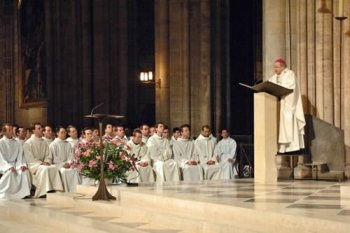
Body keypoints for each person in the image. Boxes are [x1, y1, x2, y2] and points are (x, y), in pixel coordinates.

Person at [269, 58, 306, 153]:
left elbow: (291, 88)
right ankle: (278, 145)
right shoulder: (274, 77)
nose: (275, 69)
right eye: (274, 67)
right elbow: (269, 86)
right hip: (276, 104)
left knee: (286, 124)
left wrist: (280, 90)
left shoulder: (290, 74)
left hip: (286, 103)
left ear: (283, 66)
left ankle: (288, 146)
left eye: (276, 67)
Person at [23, 122, 63, 197]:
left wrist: (47, 161)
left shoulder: (44, 142)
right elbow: (29, 158)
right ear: (33, 131)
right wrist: (41, 163)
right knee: (45, 169)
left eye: (41, 128)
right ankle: (42, 192)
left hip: (44, 164)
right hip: (34, 166)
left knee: (54, 167)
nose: (41, 129)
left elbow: (48, 155)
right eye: (39, 128)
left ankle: (55, 190)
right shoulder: (28, 143)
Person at [0, 123, 31, 199]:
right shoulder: (1, 142)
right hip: (5, 165)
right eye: (9, 130)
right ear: (4, 132)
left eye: (12, 129)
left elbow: (20, 156)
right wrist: (8, 167)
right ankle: (8, 193)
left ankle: (24, 193)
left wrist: (22, 165)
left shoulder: (17, 142)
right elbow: (1, 158)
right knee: (10, 173)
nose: (12, 131)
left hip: (16, 164)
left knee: (24, 171)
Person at [49, 126, 79, 192]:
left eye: (65, 132)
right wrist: (63, 164)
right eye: (62, 132)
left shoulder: (68, 144)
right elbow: (53, 158)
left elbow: (71, 156)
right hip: (58, 165)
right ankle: (65, 191)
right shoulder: (53, 144)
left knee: (75, 170)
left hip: (68, 164)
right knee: (64, 171)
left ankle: (75, 191)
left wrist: (68, 163)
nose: (64, 134)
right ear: (57, 133)